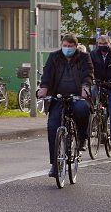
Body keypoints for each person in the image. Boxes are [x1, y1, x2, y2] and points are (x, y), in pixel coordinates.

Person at [37, 34, 93, 177]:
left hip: (77, 96)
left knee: (82, 109)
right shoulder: (54, 57)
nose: (67, 49)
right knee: (52, 126)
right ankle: (55, 165)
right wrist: (43, 88)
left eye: (70, 46)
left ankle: (82, 138)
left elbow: (88, 74)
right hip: (58, 97)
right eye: (65, 46)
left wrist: (85, 87)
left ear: (76, 46)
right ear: (61, 45)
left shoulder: (84, 58)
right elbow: (47, 75)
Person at [90, 35, 111, 151]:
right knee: (91, 96)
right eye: (100, 44)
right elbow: (89, 68)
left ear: (109, 44)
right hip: (99, 84)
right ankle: (95, 117)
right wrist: (90, 78)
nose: (102, 46)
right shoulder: (93, 54)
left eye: (104, 44)